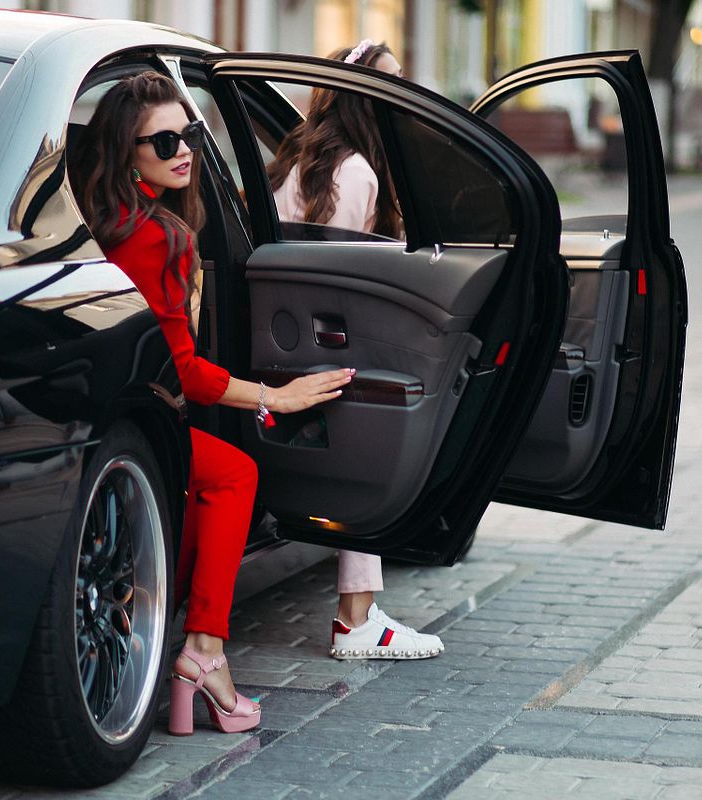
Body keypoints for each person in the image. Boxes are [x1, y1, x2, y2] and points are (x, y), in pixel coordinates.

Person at [77, 73, 355, 734]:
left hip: (101, 423)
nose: (183, 151)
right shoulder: (158, 240)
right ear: (126, 153)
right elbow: (187, 375)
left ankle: (181, 640)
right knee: (234, 473)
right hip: (143, 426)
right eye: (162, 140)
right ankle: (203, 651)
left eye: (191, 135)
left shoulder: (101, 226)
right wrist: (274, 395)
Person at [268, 39, 445, 661]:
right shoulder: (358, 173)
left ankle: (362, 612)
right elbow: (341, 287)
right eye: (393, 84)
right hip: (323, 355)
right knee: (383, 415)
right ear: (365, 97)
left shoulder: (294, 162)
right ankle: (356, 618)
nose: (406, 95)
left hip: (276, 346)